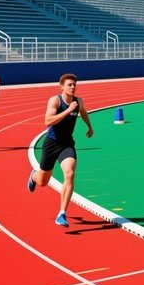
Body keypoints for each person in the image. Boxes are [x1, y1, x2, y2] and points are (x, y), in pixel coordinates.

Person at [27, 73, 94, 228]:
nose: (73, 87)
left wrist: (89, 126)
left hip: (67, 144)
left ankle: (62, 213)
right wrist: (68, 110)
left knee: (69, 174)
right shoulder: (55, 101)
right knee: (43, 182)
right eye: (69, 85)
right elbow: (47, 121)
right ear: (61, 87)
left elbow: (83, 111)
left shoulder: (78, 101)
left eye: (74, 85)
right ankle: (34, 176)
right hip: (51, 144)